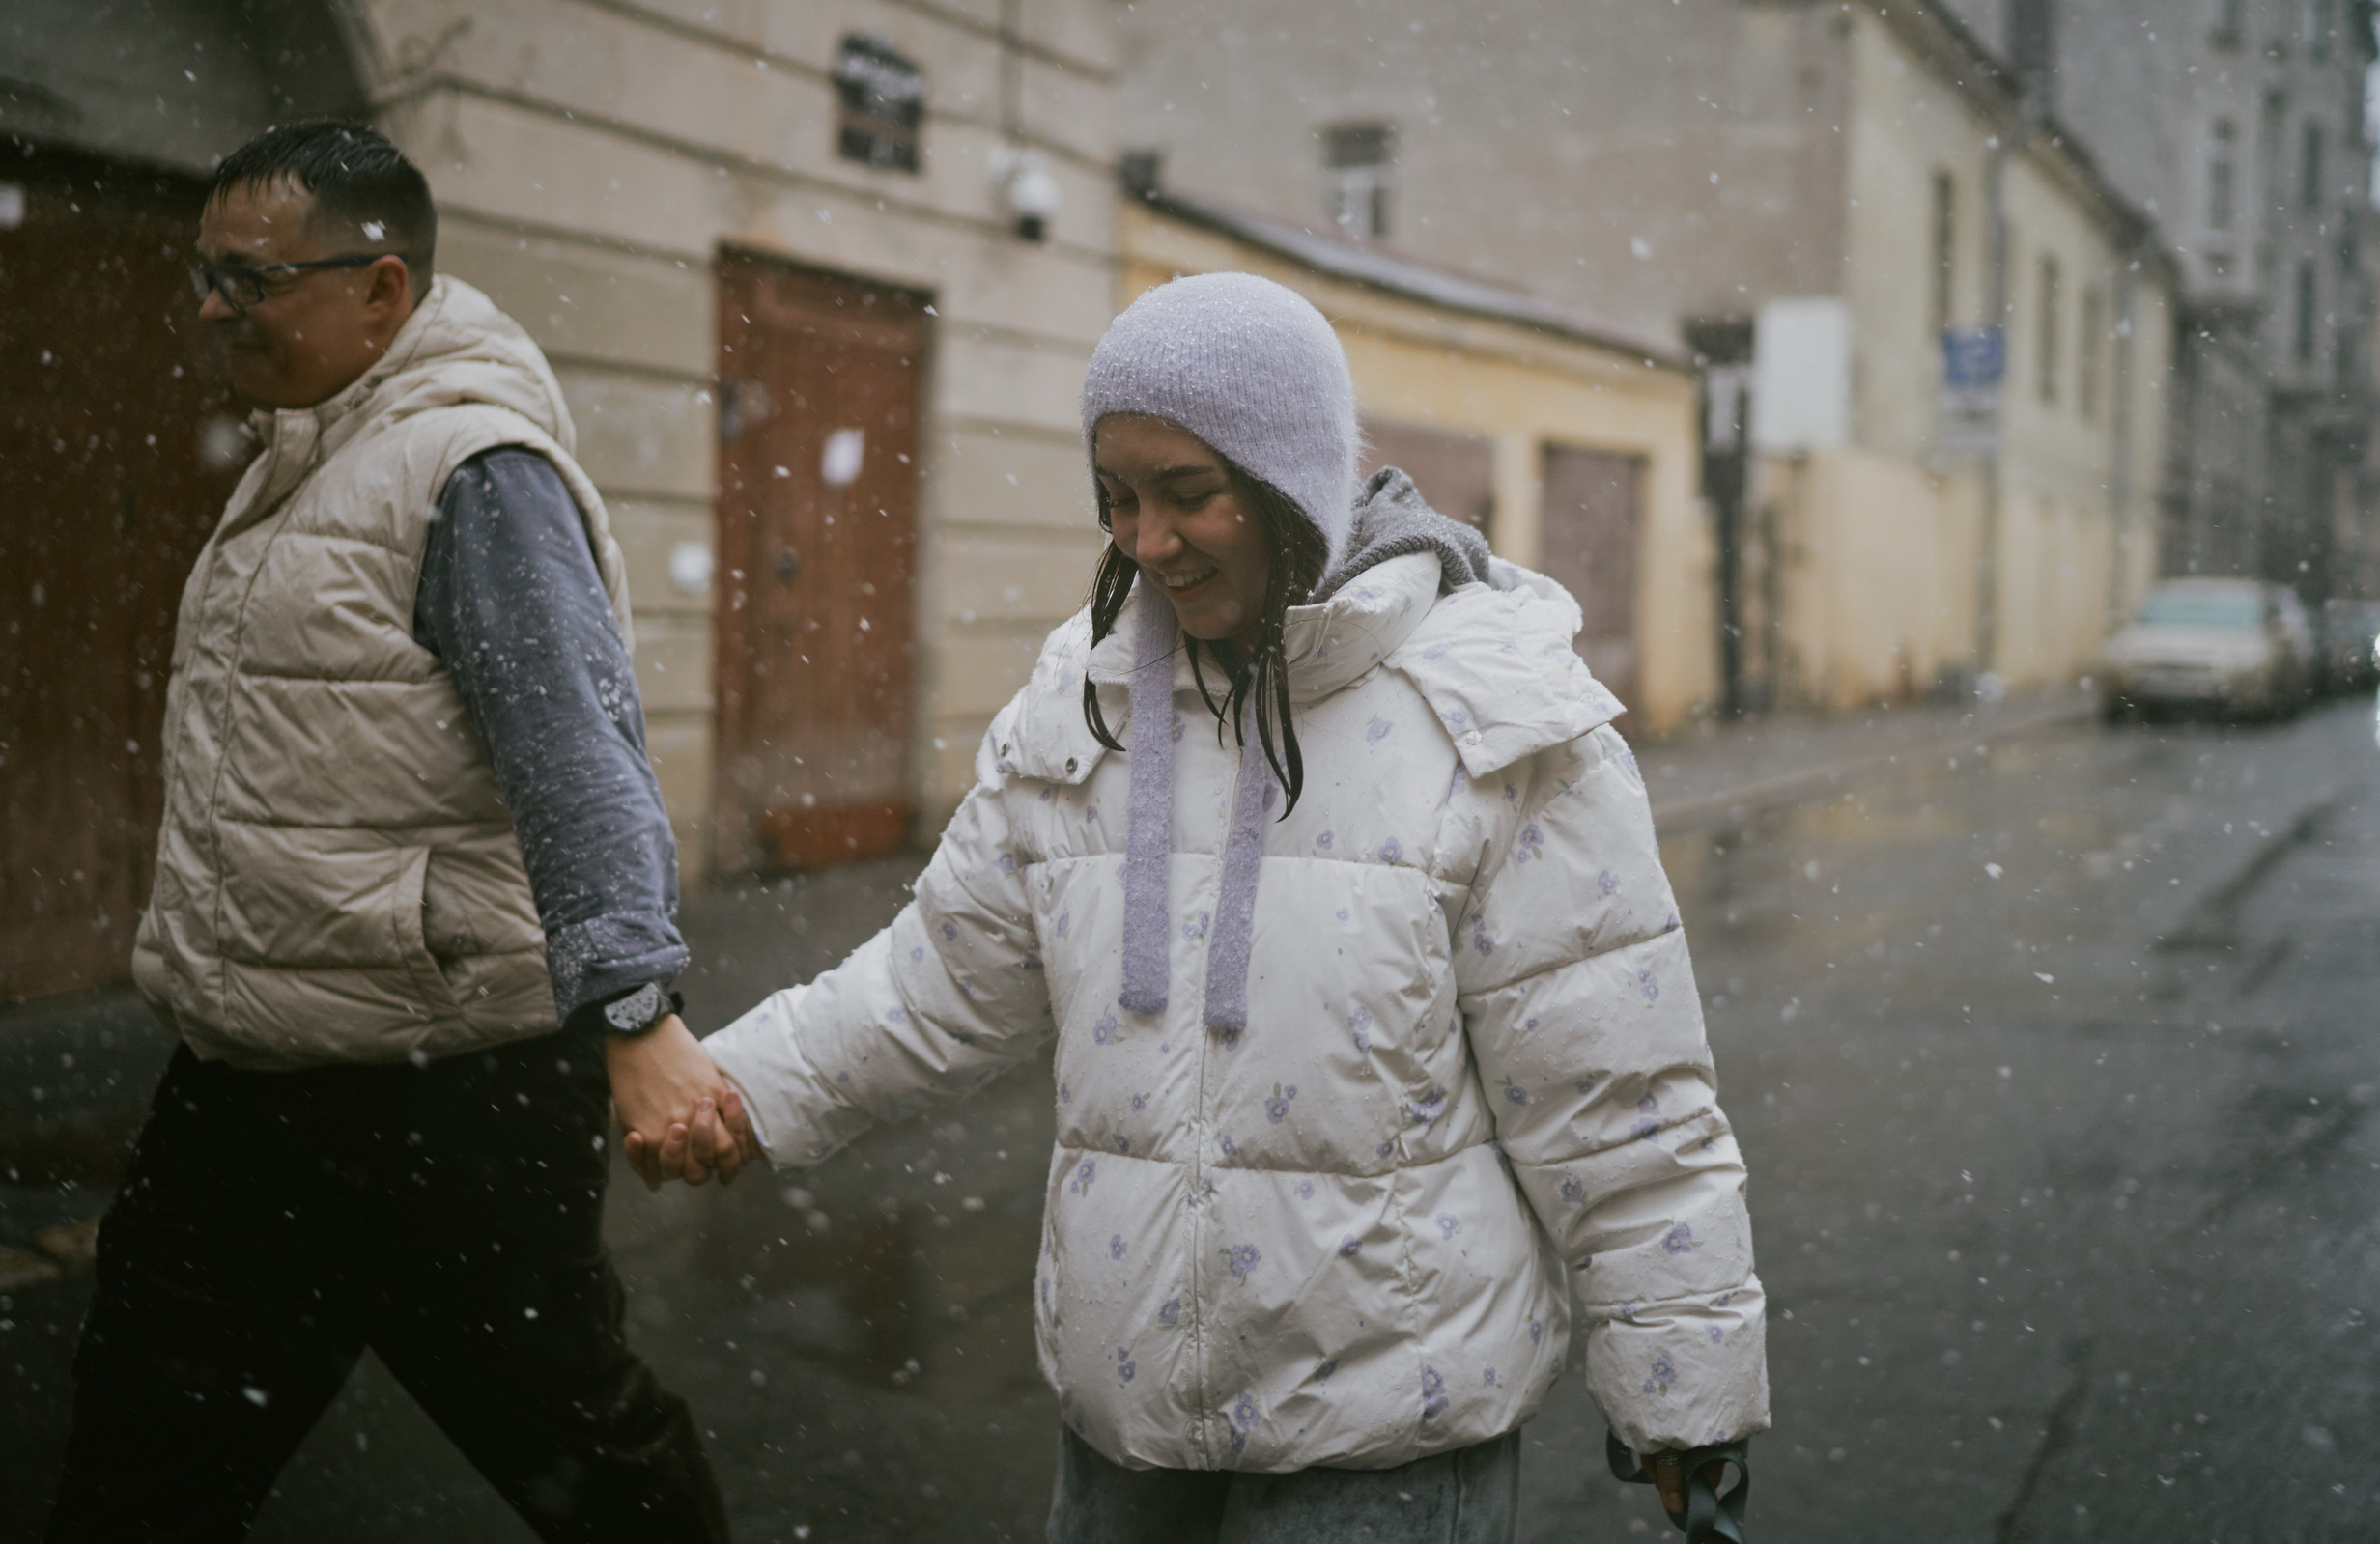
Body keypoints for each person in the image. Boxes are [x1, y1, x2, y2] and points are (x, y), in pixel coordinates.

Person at [653, 272, 1769, 1540]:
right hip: (1127, 1428)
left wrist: (1682, 1391)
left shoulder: (1490, 718)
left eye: (1189, 493)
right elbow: (935, 985)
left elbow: (1618, 1101)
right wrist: (733, 1090)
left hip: (1383, 1442)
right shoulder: (1088, 702)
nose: (1146, 540)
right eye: (1119, 499)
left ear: (1294, 480)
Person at [46, 121, 732, 1542]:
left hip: (446, 1096)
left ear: (383, 292)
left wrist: (634, 1009)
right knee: (140, 1450)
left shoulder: (468, 469)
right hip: (249, 1077)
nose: (213, 310)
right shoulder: (307, 457)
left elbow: (577, 750)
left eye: (252, 281)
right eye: (204, 278)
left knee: (579, 1450)